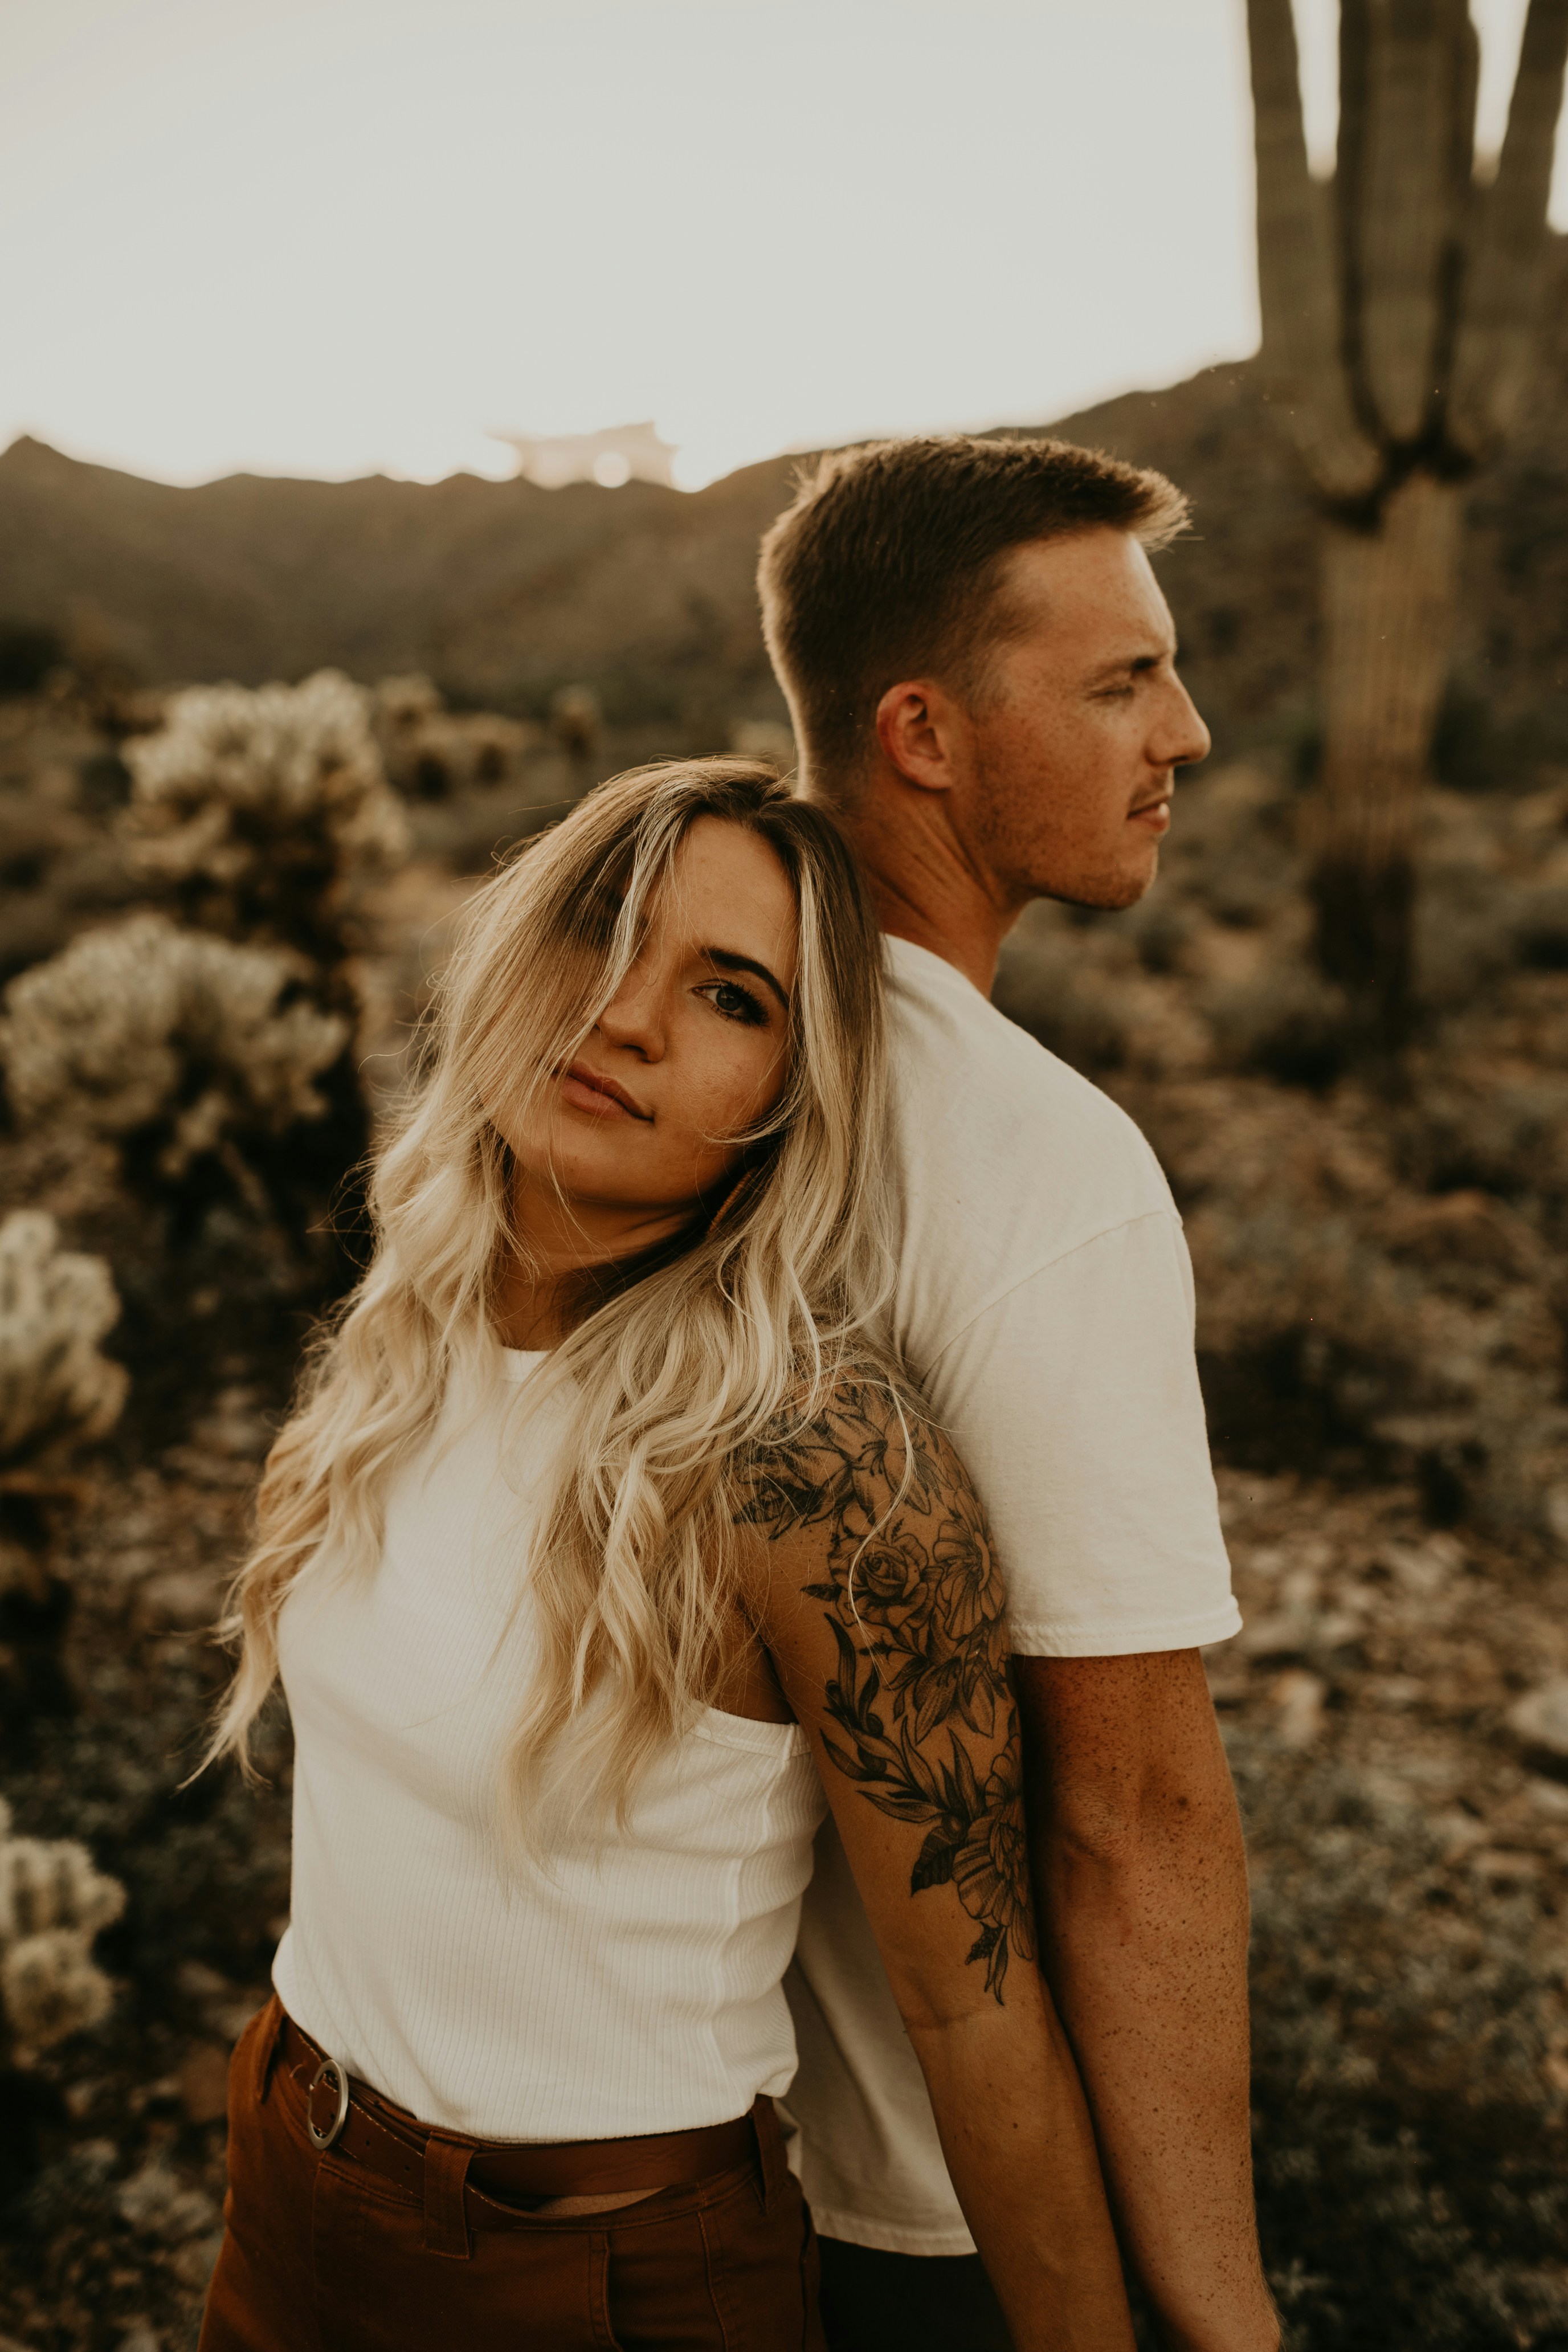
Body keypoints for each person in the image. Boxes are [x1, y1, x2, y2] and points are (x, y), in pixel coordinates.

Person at [196, 760, 1136, 2352]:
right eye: (598, 929)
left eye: (728, 996)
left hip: (601, 2277)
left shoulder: (805, 1467)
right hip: (290, 2176)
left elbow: (969, 2002)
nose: (628, 1018)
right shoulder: (408, 1328)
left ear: (790, 1091)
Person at [757, 436, 1281, 2352]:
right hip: (930, 2203)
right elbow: (1129, 1809)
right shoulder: (1040, 1168)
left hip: (675, 2134)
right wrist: (1219, 2313)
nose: (1191, 733)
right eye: (1122, 681)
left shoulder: (668, 1065)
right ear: (924, 733)